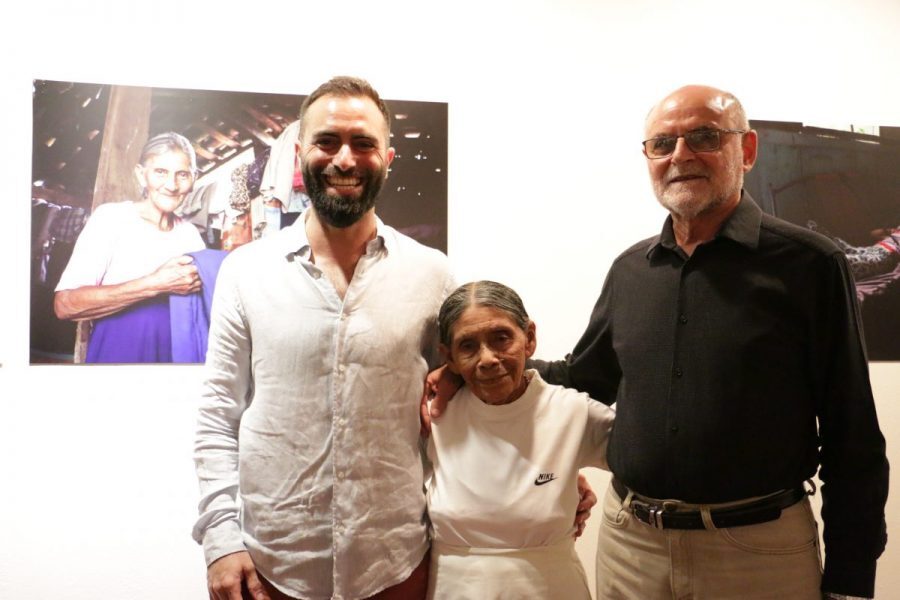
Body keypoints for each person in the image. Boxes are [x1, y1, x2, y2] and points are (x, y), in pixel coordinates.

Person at [429, 85, 889, 600]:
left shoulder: (809, 265)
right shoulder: (631, 270)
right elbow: (585, 377)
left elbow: (853, 435)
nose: (681, 156)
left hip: (757, 552)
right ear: (647, 158)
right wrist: (474, 369)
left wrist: (852, 578)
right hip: (633, 548)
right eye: (662, 144)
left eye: (704, 137)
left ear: (748, 150)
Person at [192, 76, 458, 600]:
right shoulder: (246, 272)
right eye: (327, 141)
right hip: (270, 567)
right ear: (300, 152)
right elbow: (218, 416)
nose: (344, 159)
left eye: (363, 143)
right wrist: (221, 539)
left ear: (388, 157)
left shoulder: (433, 275)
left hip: (397, 565)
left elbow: (468, 401)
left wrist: (541, 468)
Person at [425, 281, 614, 600]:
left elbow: (648, 463)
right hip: (453, 589)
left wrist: (566, 488)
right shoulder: (435, 415)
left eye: (501, 338)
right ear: (449, 357)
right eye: (468, 346)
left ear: (529, 338)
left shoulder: (572, 410)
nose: (487, 359)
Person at [54, 132, 204, 363]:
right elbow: (65, 305)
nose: (172, 185)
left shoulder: (190, 235)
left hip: (177, 356)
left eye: (182, 174)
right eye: (160, 172)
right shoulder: (111, 218)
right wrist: (155, 283)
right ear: (141, 175)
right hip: (120, 351)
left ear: (194, 178)